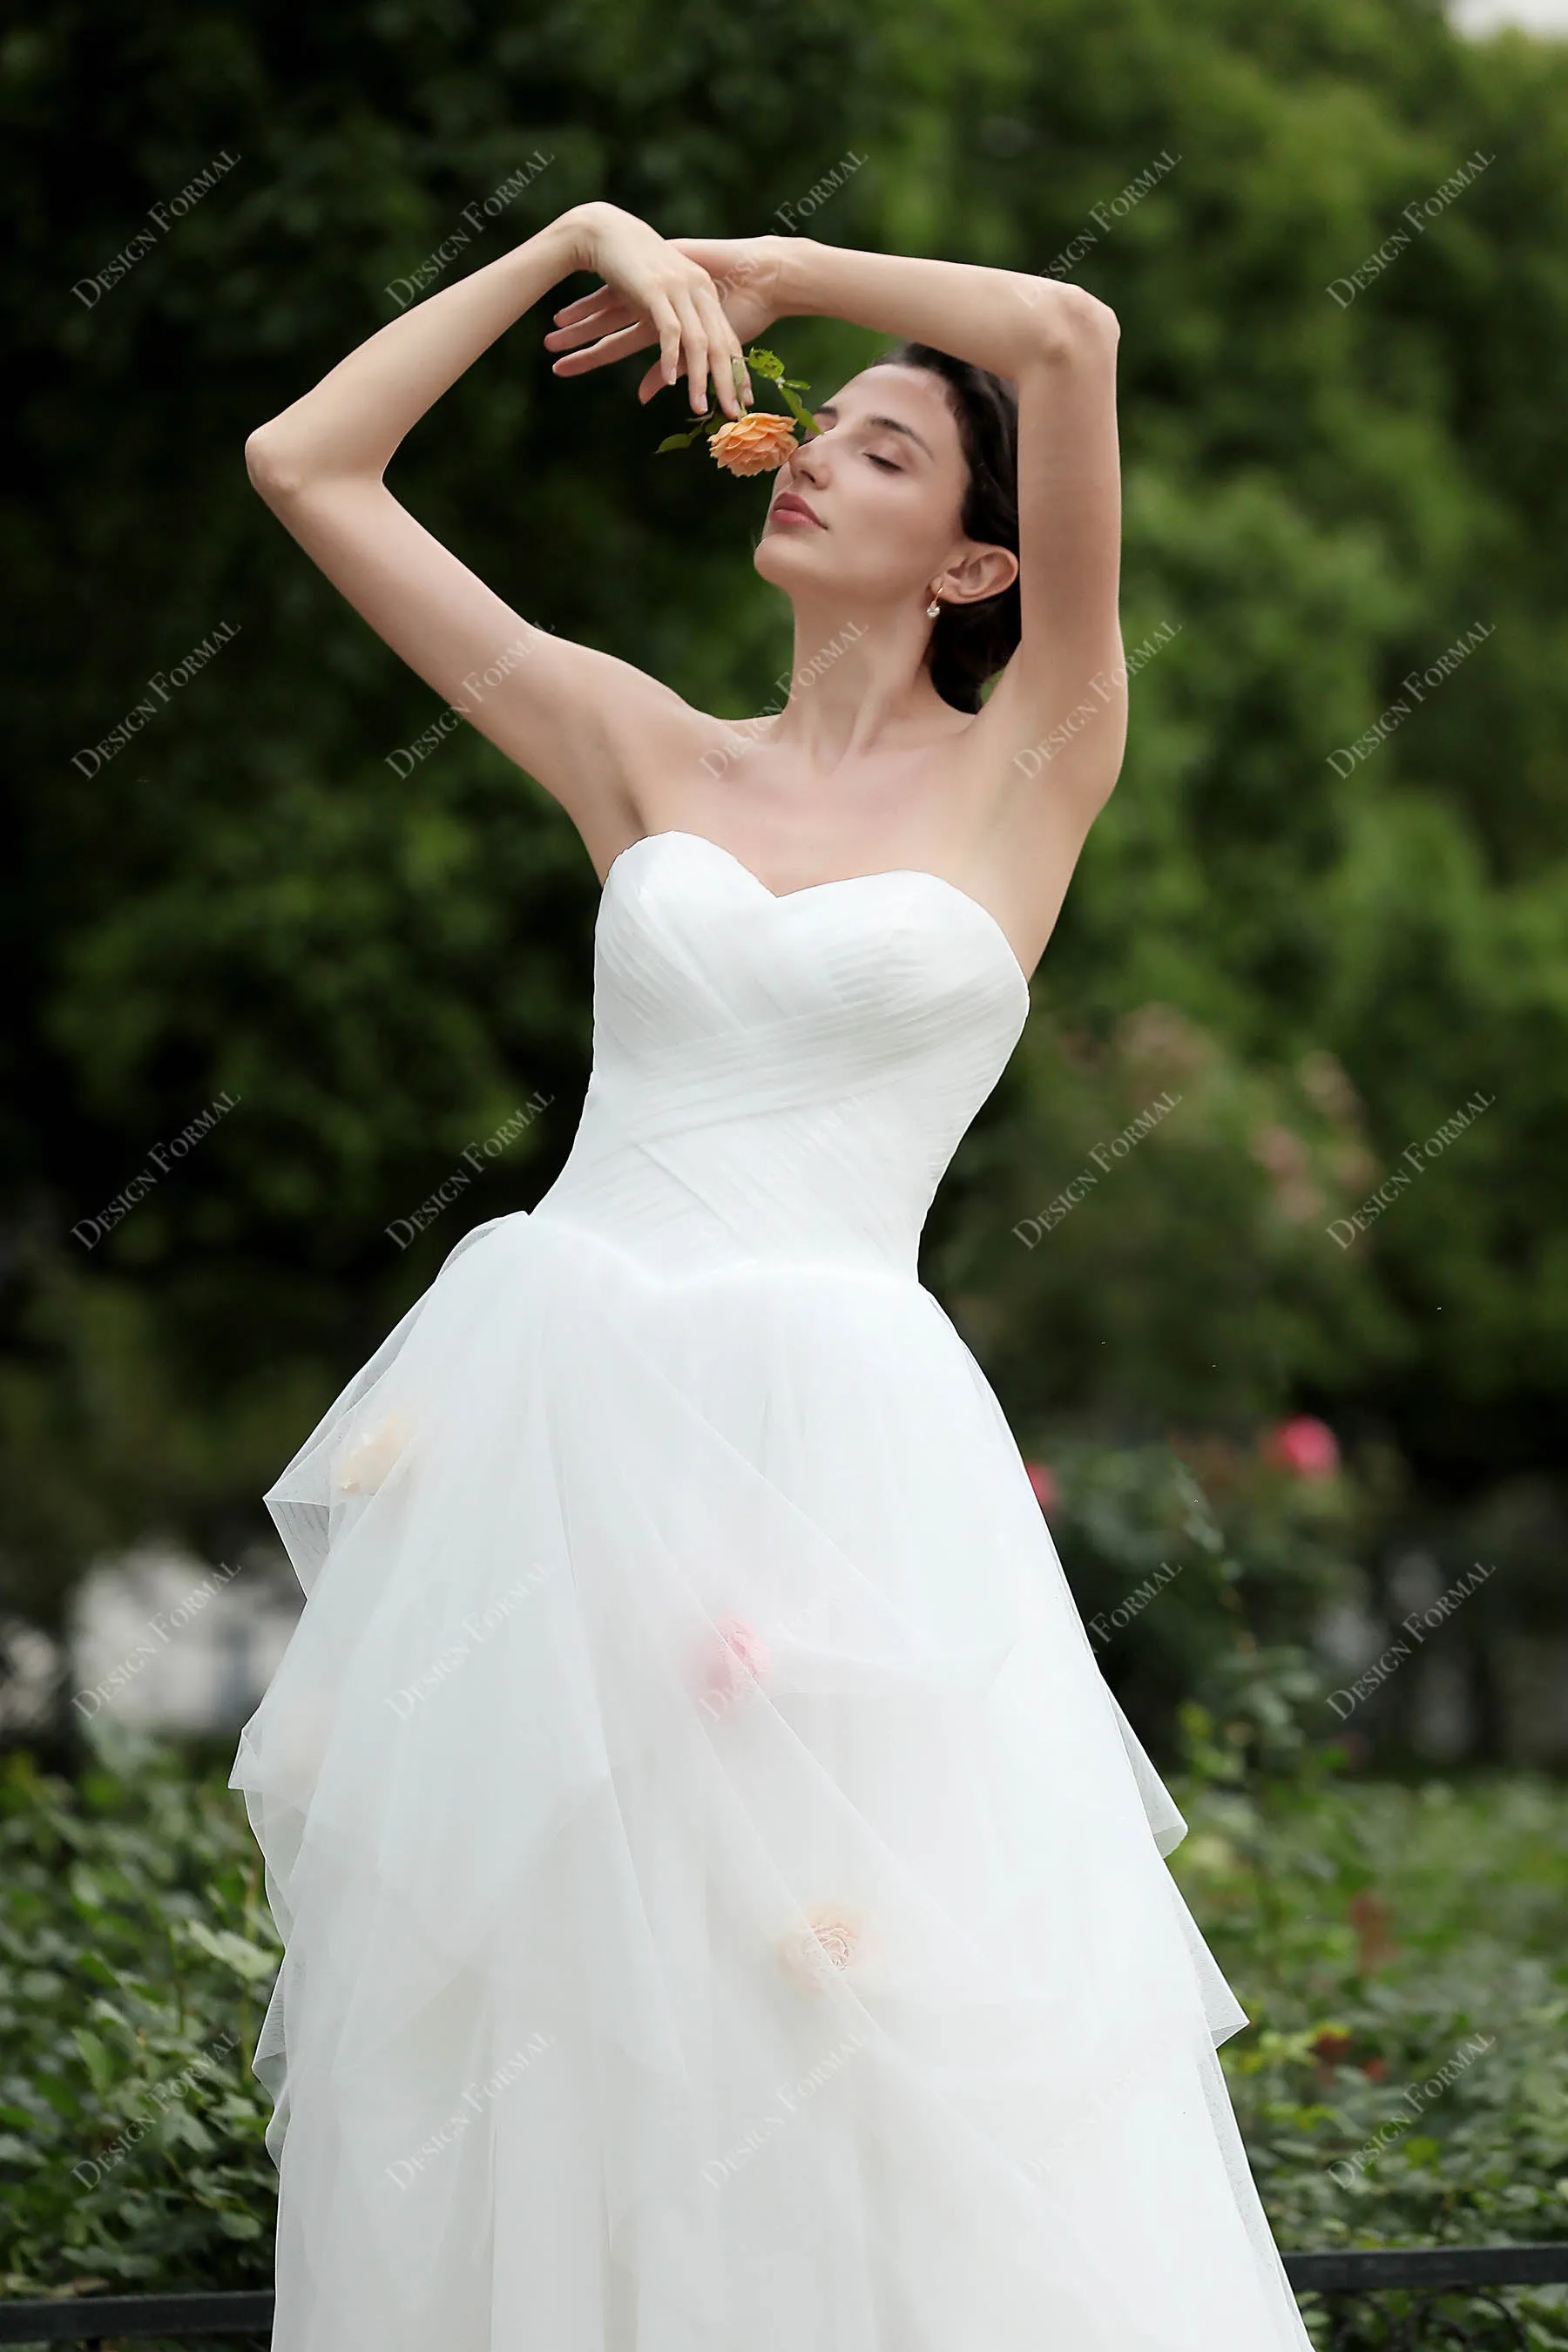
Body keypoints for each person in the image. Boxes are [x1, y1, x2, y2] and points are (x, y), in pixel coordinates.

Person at [229, 200, 1315, 2352]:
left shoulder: (1036, 763)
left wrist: (788, 273)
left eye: (889, 455)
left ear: (981, 569)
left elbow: (1069, 330)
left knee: (868, 2021)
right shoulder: (644, 752)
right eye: (821, 427)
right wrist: (578, 237)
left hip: (837, 1463)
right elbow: (305, 465)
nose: (812, 448)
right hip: (558, 1442)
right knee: (540, 2029)